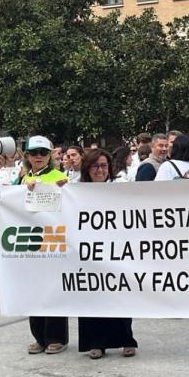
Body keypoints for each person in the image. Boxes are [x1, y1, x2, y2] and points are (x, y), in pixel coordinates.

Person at [77, 150, 139, 360]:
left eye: (104, 165)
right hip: (87, 254)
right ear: (87, 168)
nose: (100, 170)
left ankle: (126, 340)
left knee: (120, 296)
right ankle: (96, 343)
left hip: (117, 252)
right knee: (91, 298)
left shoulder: (118, 189)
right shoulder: (74, 190)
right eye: (95, 166)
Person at [14, 136, 71, 354]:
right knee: (33, 289)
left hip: (53, 240)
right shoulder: (23, 178)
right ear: (27, 156)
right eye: (34, 153)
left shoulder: (60, 176)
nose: (38, 157)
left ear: (50, 155)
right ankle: (39, 336)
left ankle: (56, 337)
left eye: (43, 153)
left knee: (53, 289)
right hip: (30, 240)